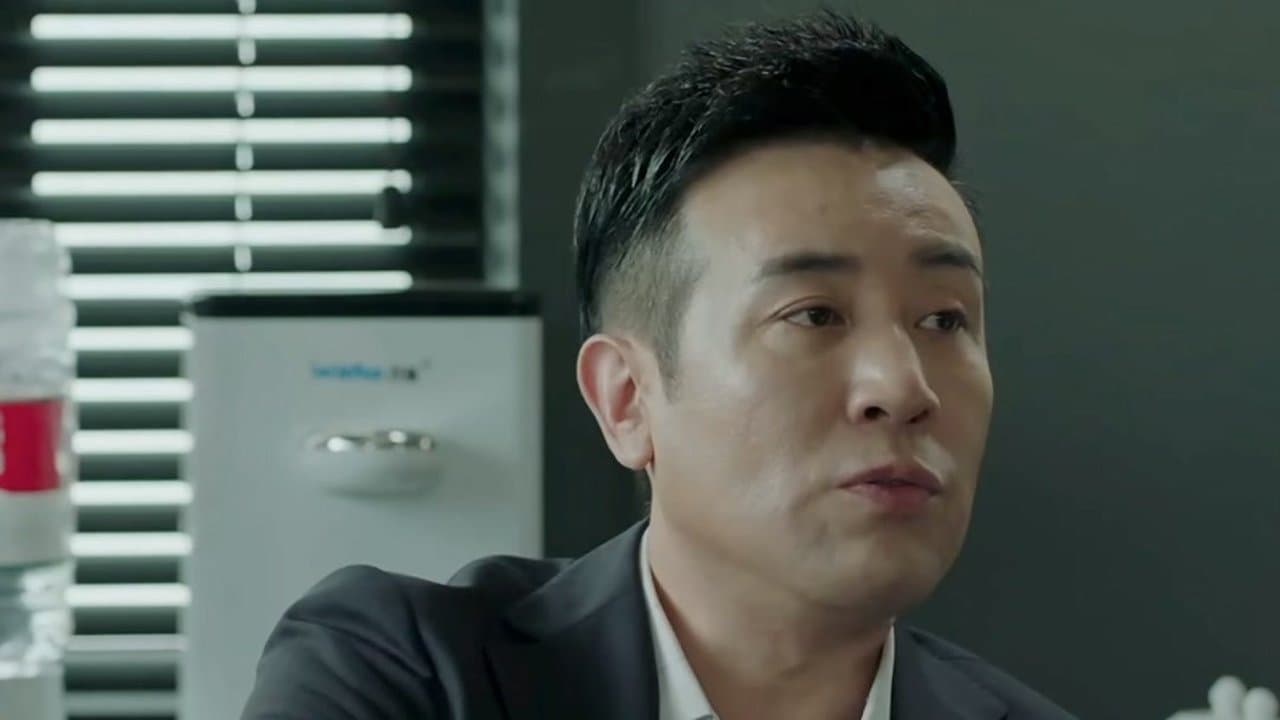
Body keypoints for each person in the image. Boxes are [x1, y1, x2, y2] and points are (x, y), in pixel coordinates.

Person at [241, 11, 1077, 720]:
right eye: (814, 314)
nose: (903, 388)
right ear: (628, 399)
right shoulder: (402, 674)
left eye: (944, 320)